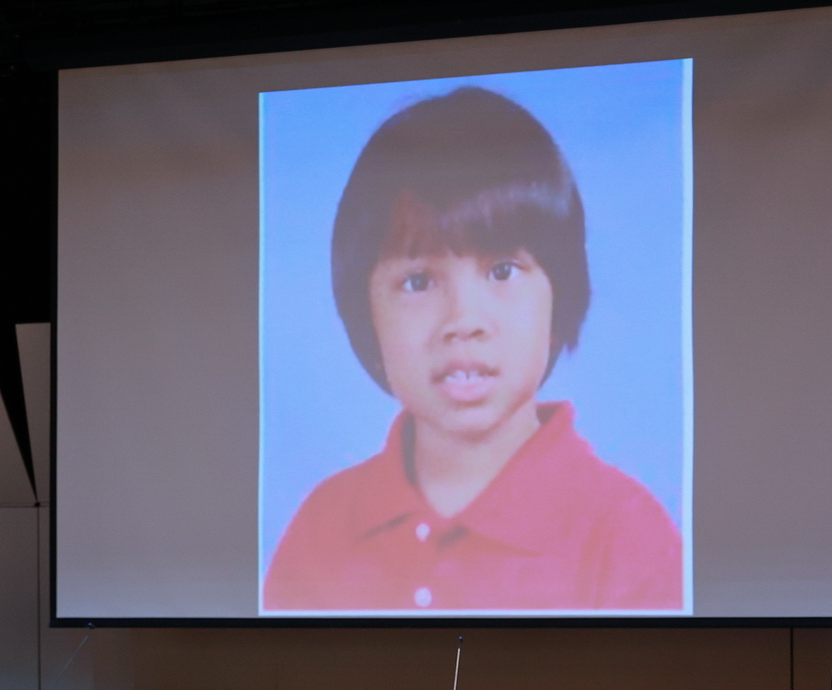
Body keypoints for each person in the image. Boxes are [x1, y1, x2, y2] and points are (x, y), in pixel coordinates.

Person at [263, 85, 682, 612]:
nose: (463, 322)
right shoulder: (323, 524)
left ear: (562, 298)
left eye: (502, 271)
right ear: (365, 315)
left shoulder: (624, 534)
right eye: (418, 282)